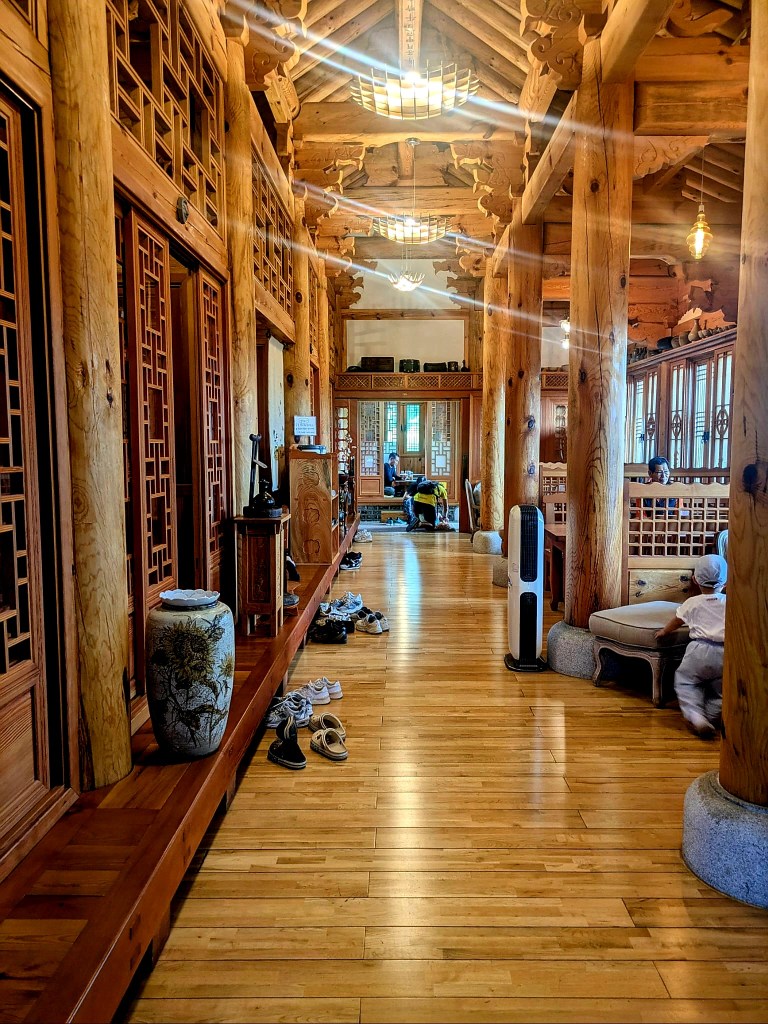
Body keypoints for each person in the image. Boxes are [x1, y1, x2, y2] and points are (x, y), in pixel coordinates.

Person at [655, 554, 727, 739]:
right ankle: (711, 716)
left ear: (695, 580)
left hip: (699, 650)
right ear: (726, 581)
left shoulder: (692, 603)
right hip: (725, 653)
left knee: (686, 682)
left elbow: (677, 621)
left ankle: (696, 716)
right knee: (722, 691)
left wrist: (664, 632)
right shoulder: (729, 602)